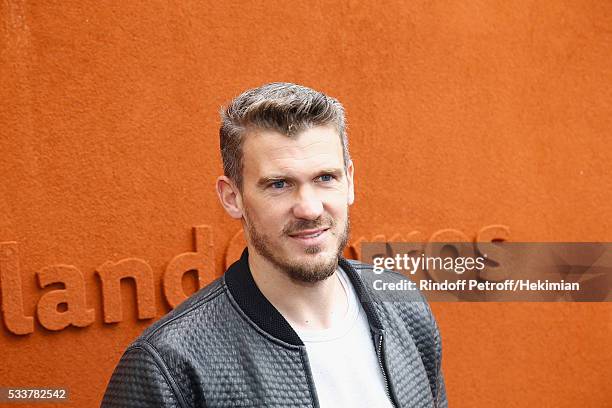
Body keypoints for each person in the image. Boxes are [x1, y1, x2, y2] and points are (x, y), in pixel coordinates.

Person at [102, 83, 447, 407]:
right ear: (232, 197)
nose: (309, 208)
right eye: (279, 184)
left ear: (350, 182)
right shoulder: (168, 365)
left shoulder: (403, 304)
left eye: (325, 178)